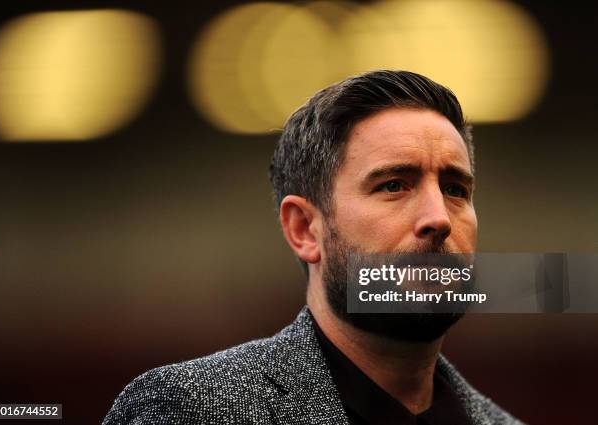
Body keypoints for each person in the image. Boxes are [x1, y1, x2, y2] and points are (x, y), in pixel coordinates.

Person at [103, 70, 523, 424]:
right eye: (393, 185)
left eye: (455, 189)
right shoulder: (191, 409)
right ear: (304, 228)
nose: (439, 218)